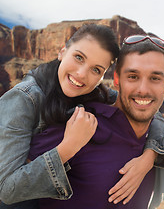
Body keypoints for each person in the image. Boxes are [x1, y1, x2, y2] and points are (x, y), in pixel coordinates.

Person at [27, 35, 164, 208]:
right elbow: (12, 187)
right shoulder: (79, 123)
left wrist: (150, 155)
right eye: (133, 76)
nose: (143, 90)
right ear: (117, 80)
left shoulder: (162, 143)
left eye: (155, 78)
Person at [0, 24, 120, 208]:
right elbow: (7, 190)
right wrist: (69, 147)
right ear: (62, 52)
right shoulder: (24, 99)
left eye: (96, 70)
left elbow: (142, 105)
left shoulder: (94, 92)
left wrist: (148, 158)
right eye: (79, 57)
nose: (81, 74)